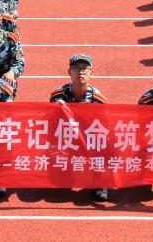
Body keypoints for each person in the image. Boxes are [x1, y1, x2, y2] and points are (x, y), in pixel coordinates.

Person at [49, 54, 110, 202]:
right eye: (76, 68)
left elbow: (105, 128)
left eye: (84, 68)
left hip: (89, 137)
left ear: (91, 73)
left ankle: (99, 180)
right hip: (67, 136)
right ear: (69, 72)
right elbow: (50, 122)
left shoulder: (98, 99)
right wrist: (57, 110)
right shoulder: (58, 96)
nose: (80, 72)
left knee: (104, 143)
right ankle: (64, 170)